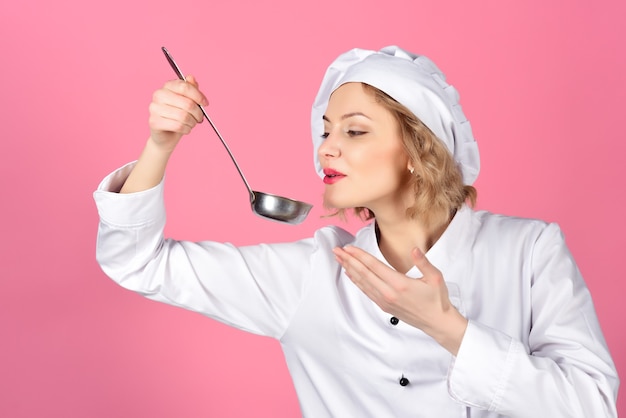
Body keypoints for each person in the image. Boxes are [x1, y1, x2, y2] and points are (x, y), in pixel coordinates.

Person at [94, 46, 619, 417]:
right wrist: (159, 146)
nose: (325, 147)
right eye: (325, 130)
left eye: (353, 130)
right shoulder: (310, 275)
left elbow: (592, 407)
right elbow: (137, 262)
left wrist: (450, 330)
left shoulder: (528, 251)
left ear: (419, 148)